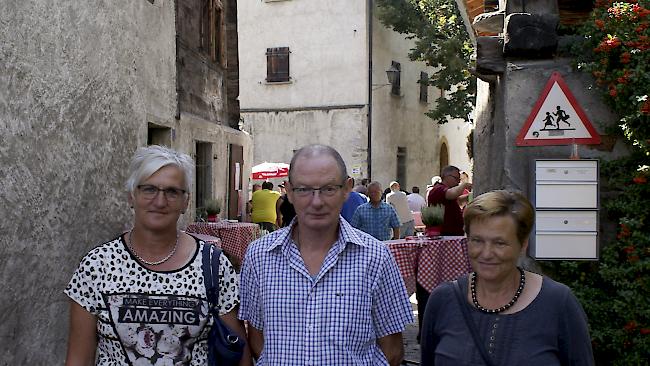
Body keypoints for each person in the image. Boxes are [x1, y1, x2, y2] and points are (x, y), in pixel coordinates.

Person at [64, 145, 251, 366]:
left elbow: (240, 356)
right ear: (131, 196)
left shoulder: (213, 265)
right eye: (149, 189)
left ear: (186, 202)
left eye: (172, 192)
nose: (160, 201)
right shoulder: (97, 266)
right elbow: (79, 358)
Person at [238, 145, 413, 365]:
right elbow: (257, 337)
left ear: (347, 188)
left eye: (329, 188)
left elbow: (392, 349)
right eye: (304, 190)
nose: (317, 201)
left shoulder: (376, 258)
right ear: (289, 192)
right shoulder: (259, 256)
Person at [421, 190, 594, 365]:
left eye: (499, 243)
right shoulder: (443, 300)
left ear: (523, 245)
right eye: (477, 240)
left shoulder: (558, 303)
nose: (486, 253)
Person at [427, 166, 472, 236]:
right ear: (446, 176)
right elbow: (452, 194)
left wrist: (471, 196)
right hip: (445, 234)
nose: (458, 182)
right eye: (456, 178)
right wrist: (464, 185)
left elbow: (459, 200)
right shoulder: (438, 189)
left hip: (453, 233)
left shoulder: (445, 190)